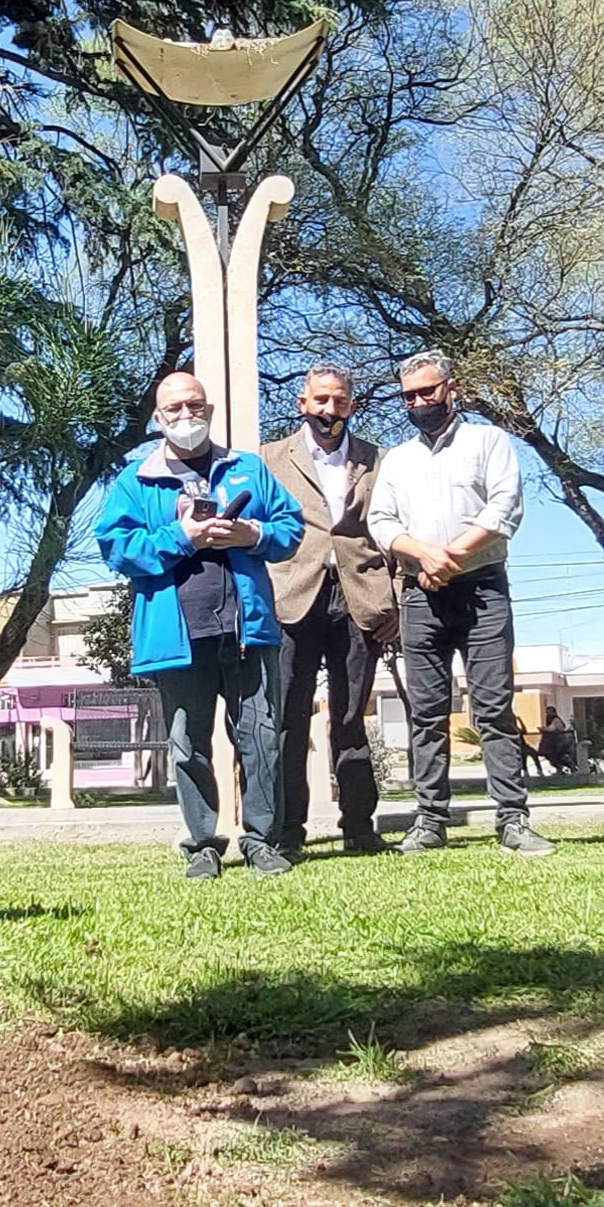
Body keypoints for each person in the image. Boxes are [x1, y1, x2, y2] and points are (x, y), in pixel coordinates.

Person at [92, 370, 306, 878]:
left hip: (248, 630)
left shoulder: (247, 469)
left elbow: (291, 528)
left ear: (209, 411)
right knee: (189, 745)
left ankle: (262, 840)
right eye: (174, 409)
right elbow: (118, 549)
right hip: (177, 636)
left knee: (261, 738)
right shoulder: (135, 481)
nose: (186, 416)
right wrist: (182, 535)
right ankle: (203, 844)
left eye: (195, 406)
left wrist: (250, 534)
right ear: (158, 418)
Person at [366, 353, 552, 856]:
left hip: (483, 588)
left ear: (453, 388)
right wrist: (423, 555)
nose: (420, 402)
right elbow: (380, 521)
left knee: (493, 708)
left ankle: (512, 820)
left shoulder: (488, 441)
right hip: (420, 595)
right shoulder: (396, 459)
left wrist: (451, 556)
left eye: (428, 391)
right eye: (409, 395)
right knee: (426, 713)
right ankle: (429, 821)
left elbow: (504, 507)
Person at [260, 364, 397, 857]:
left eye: (339, 401)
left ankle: (359, 829)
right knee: (288, 719)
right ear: (302, 404)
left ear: (351, 406)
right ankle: (287, 832)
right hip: (293, 598)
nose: (329, 410)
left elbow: (393, 531)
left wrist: (393, 598)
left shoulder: (378, 461)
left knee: (351, 718)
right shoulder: (270, 459)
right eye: (320, 400)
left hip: (360, 599)